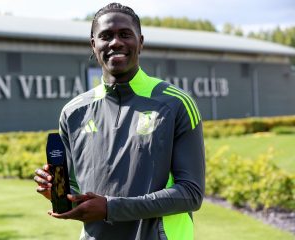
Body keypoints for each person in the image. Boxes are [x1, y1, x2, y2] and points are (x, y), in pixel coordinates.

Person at [34, 3, 205, 240]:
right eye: (106, 36)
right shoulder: (73, 112)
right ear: (93, 45)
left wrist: (110, 208)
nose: (115, 42)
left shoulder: (175, 104)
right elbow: (76, 191)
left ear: (141, 42)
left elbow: (190, 194)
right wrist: (58, 193)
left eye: (125, 34)